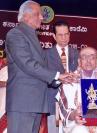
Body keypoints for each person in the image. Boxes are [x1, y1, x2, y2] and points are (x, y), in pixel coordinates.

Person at [5, 1, 69, 133]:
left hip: (34, 102)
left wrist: (61, 79)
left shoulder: (31, 35)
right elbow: (27, 64)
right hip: (23, 103)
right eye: (37, 14)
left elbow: (40, 69)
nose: (41, 17)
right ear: (26, 16)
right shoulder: (15, 34)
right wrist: (56, 75)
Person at [56, 47, 97, 133]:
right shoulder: (69, 80)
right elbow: (65, 109)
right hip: (76, 123)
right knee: (79, 130)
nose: (88, 60)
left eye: (92, 57)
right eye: (84, 57)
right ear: (79, 61)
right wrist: (75, 114)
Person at [45, 21, 79, 133]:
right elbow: (44, 78)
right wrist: (61, 79)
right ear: (54, 36)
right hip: (53, 102)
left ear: (70, 34)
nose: (64, 38)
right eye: (60, 35)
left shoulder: (79, 54)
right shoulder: (45, 55)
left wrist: (78, 78)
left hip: (76, 105)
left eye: (66, 34)